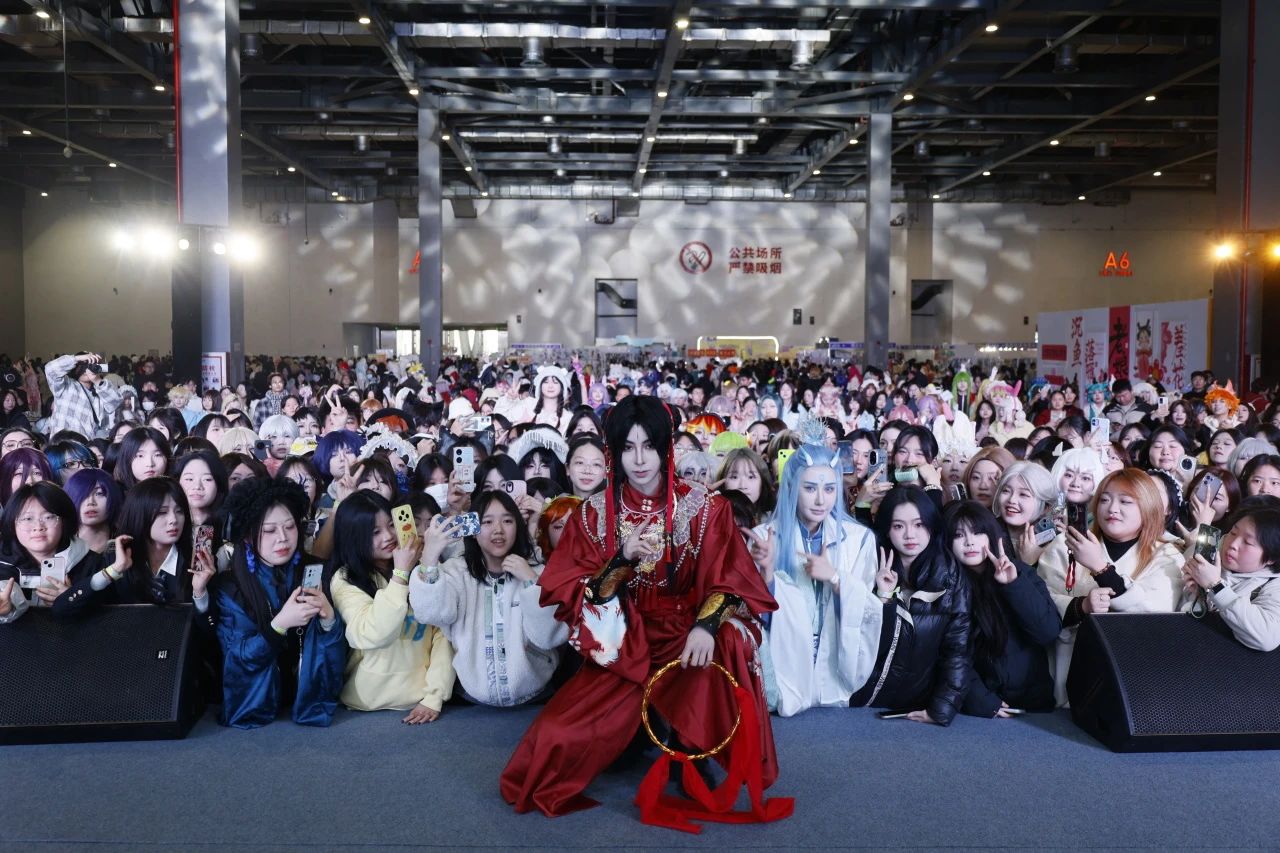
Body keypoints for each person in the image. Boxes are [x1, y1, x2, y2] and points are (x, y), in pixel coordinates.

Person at [500, 395, 779, 817]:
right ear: (615, 452)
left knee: (729, 638)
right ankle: (637, 732)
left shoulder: (705, 507)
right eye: (628, 448)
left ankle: (692, 746)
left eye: (649, 445)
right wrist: (621, 561)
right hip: (622, 641)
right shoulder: (592, 514)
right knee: (555, 738)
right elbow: (574, 589)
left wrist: (705, 626)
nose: (640, 459)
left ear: (666, 447)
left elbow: (731, 577)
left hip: (685, 631)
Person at [748, 442, 879, 717]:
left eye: (829, 489)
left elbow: (868, 610)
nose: (821, 500)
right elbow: (752, 615)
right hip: (785, 664)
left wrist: (835, 578)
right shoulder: (764, 537)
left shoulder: (859, 539)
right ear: (791, 488)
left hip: (837, 668)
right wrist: (767, 574)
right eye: (809, 488)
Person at [1037, 469, 1183, 705]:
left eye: (1125, 501)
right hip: (1062, 670)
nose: (1112, 508)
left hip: (1129, 681)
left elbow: (1154, 614)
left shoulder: (1167, 556)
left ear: (1148, 508)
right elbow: (1040, 602)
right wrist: (1081, 606)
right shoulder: (1064, 545)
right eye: (1105, 500)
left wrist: (1100, 568)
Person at [409, 489, 566, 707]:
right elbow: (432, 614)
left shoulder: (537, 571)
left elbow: (549, 636)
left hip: (537, 698)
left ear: (518, 526)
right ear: (473, 530)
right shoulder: (456, 572)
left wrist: (531, 581)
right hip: (471, 702)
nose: (498, 529)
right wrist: (429, 557)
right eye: (487, 522)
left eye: (507, 521)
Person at [213, 478, 345, 728]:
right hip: (260, 704)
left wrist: (329, 621)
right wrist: (279, 625)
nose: (283, 538)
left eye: (290, 526)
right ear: (248, 537)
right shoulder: (230, 587)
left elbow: (337, 656)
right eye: (269, 531)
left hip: (308, 697)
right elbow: (237, 658)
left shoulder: (316, 571)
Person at [325, 491, 455, 724]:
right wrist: (400, 574)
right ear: (354, 537)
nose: (388, 536)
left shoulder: (424, 566)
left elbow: (443, 634)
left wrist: (434, 696)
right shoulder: (345, 578)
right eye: (374, 532)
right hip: (364, 703)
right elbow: (371, 634)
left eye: (391, 525)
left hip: (423, 700)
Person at [852, 487, 970, 725]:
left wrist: (941, 709)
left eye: (919, 524)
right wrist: (883, 597)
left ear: (931, 525)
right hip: (859, 698)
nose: (910, 535)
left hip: (914, 706)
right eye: (898, 526)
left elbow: (957, 649)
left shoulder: (949, 574)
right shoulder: (868, 563)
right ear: (887, 529)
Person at [945, 501, 1059, 717]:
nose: (969, 542)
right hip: (982, 711)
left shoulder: (1021, 573)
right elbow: (950, 655)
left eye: (977, 532)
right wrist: (983, 701)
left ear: (991, 535)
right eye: (959, 535)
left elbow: (1048, 632)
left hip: (1035, 707)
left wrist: (1013, 584)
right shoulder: (948, 588)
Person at [53, 476, 215, 620]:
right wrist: (114, 570)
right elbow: (63, 610)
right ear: (140, 514)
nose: (173, 520)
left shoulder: (196, 564)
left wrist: (200, 592)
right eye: (162, 512)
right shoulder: (115, 560)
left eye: (179, 511)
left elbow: (208, 633)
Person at [1181, 505, 1280, 651]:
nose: (1233, 544)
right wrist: (1198, 595)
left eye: (1248, 542)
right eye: (1233, 533)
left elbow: (1267, 638)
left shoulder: (1273, 585)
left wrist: (1215, 586)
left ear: (1271, 558)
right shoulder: (1203, 555)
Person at [0, 481, 99, 615]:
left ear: (64, 521)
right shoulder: (2, 565)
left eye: (48, 517)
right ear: (13, 523)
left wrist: (75, 601)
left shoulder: (92, 564)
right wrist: (5, 612)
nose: (38, 527)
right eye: (28, 518)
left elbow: (112, 618)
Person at [44, 352, 122, 440]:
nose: (86, 370)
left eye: (90, 365)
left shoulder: (100, 392)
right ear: (75, 368)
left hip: (85, 444)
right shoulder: (66, 385)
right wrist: (78, 358)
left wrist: (97, 380)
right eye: (83, 366)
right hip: (63, 443)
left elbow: (116, 402)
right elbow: (50, 369)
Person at [64, 468, 122, 554]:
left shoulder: (126, 547)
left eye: (99, 493)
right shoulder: (60, 549)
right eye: (83, 495)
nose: (90, 502)